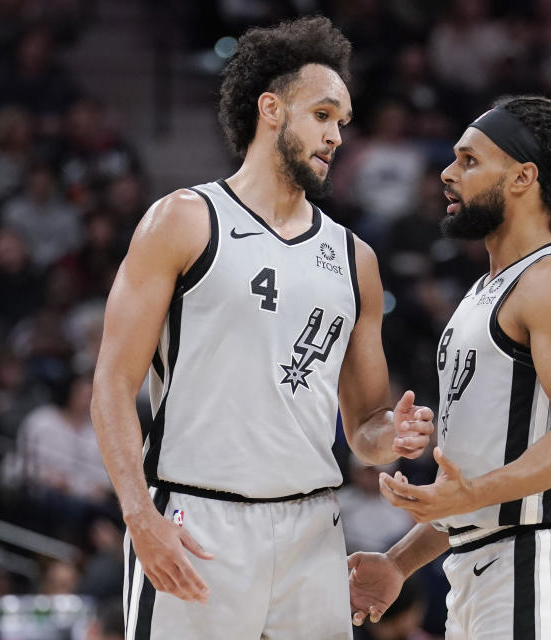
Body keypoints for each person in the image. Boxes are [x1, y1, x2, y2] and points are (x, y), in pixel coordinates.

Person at [90, 16, 434, 640]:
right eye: (323, 115)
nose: (336, 137)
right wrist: (139, 514)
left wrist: (396, 436)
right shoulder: (184, 220)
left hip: (312, 530)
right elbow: (113, 383)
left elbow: (364, 428)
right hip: (198, 520)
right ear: (271, 108)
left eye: (343, 123)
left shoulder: (355, 258)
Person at [348, 95, 551, 639]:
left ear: (522, 177)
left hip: (540, 561)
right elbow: (484, 480)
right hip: (480, 568)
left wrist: (466, 497)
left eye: (469, 161)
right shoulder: (482, 293)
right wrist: (401, 561)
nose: (447, 174)